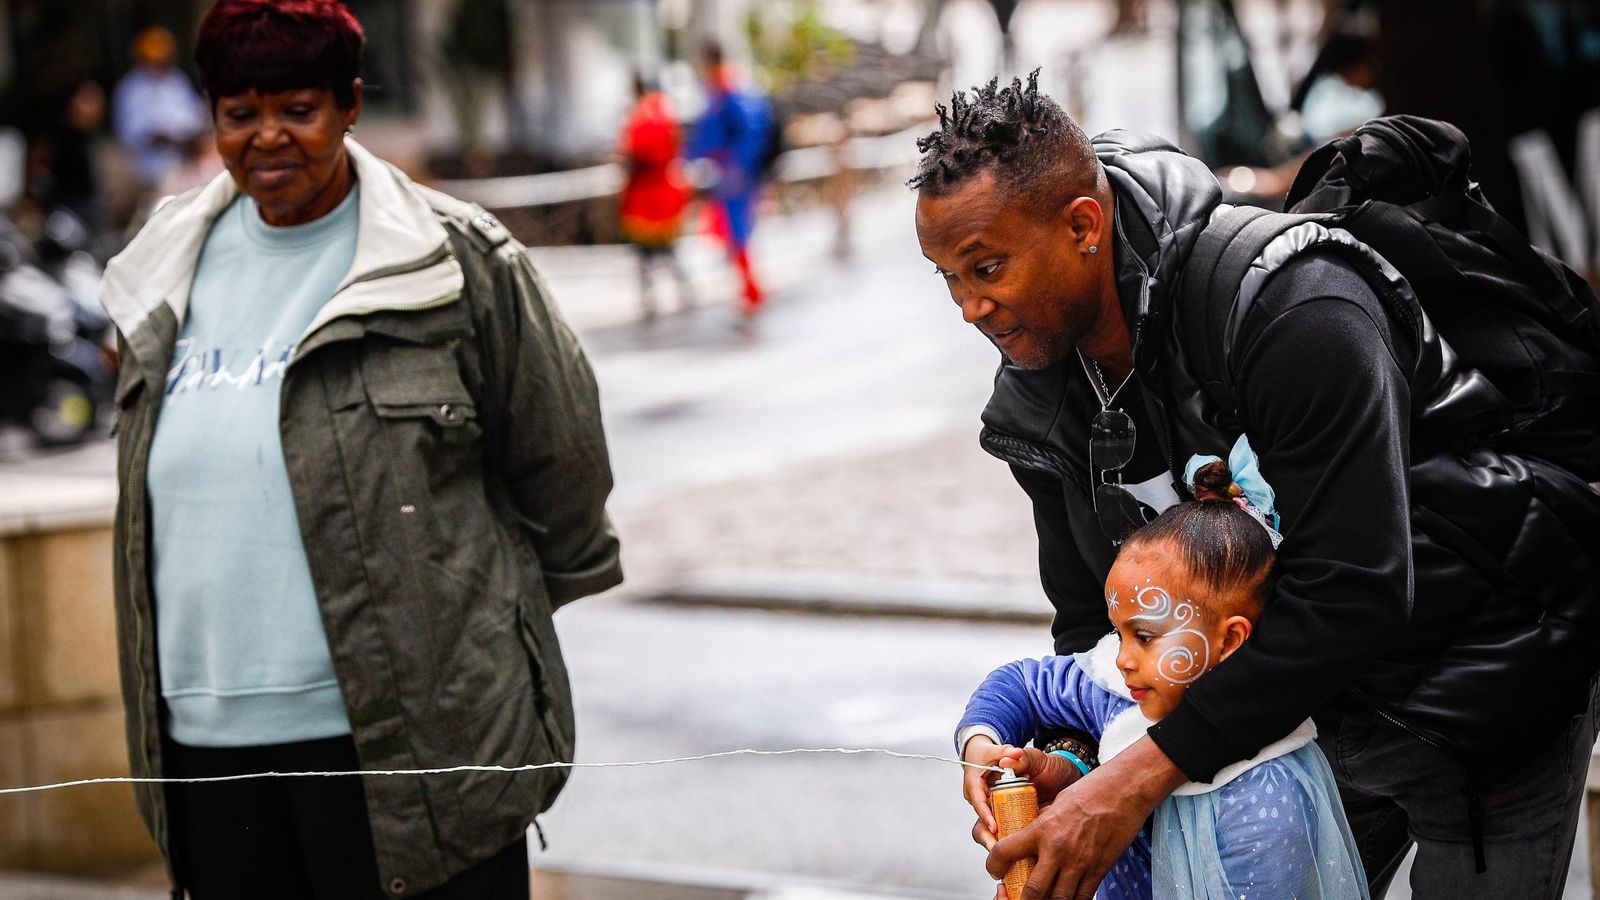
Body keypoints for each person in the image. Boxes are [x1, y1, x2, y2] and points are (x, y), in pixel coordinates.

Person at [911, 74, 1600, 899]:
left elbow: (1353, 591)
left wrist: (1138, 779)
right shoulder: (1038, 394)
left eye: (986, 267)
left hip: (1481, 681)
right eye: (947, 277)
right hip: (1284, 724)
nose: (968, 307)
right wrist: (1071, 759)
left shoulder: (1292, 306)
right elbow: (1097, 623)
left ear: (1083, 225)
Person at [100, 2, 621, 898]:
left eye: (298, 109)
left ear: (348, 105)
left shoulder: (454, 260)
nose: (269, 137)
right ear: (211, 116)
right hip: (206, 753)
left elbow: (562, 470)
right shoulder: (163, 266)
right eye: (239, 113)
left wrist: (476, 641)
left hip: (413, 748)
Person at [958, 452, 1367, 899]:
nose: (1121, 659)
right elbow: (1021, 685)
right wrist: (982, 742)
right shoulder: (1118, 692)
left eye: (1146, 636)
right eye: (1118, 634)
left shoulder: (1267, 798)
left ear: (1230, 640)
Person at [687, 41, 772, 314]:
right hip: (727, 173)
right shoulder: (724, 89)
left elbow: (749, 132)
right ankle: (749, 290)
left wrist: (738, 166)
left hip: (734, 175)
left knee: (737, 234)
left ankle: (752, 291)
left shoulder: (728, 90)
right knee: (731, 233)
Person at [618, 72, 693, 319]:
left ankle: (650, 299)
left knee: (645, 253)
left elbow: (633, 155)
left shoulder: (639, 116)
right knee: (670, 249)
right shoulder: (668, 111)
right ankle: (685, 290)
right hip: (668, 190)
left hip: (645, 195)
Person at [112, 26, 207, 190]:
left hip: (185, 163)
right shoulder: (131, 88)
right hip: (149, 171)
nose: (160, 63)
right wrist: (169, 138)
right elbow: (132, 134)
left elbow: (195, 116)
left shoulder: (176, 80)